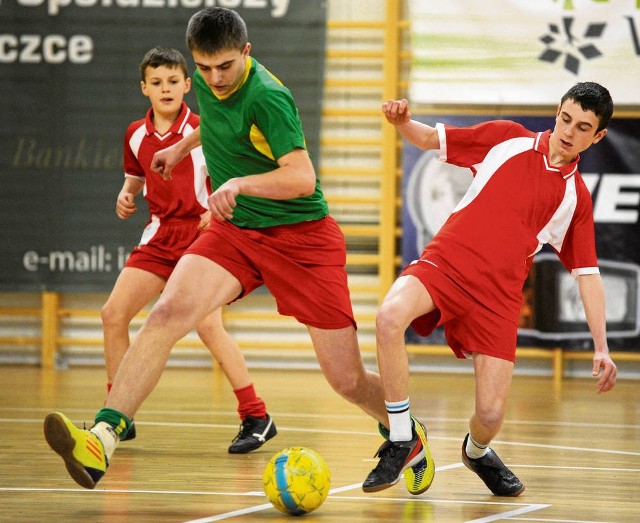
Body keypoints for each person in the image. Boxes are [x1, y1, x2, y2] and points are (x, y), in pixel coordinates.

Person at [42, 8, 434, 494]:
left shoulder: (268, 96)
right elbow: (214, 121)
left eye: (224, 67)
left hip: (302, 240)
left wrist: (241, 183)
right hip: (236, 232)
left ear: (246, 54)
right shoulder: (210, 79)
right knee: (167, 314)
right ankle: (102, 438)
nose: (213, 78)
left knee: (346, 379)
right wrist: (182, 149)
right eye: (203, 69)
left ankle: (406, 432)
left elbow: (301, 177)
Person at [362, 82, 618, 496]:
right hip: (447, 262)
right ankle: (401, 437)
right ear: (558, 111)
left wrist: (601, 346)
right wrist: (403, 122)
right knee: (389, 316)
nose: (569, 132)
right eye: (566, 119)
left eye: (583, 127)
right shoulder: (507, 139)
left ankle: (477, 452)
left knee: (491, 413)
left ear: (598, 136)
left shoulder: (575, 198)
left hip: (497, 298)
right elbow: (429, 139)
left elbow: (587, 274)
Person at [99, 46, 276, 453]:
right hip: (160, 235)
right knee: (113, 314)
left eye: (173, 81)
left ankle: (256, 413)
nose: (166, 88)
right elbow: (134, 180)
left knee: (209, 327)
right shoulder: (135, 134)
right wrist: (126, 196)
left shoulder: (204, 128)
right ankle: (117, 415)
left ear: (187, 85)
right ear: (144, 88)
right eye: (156, 82)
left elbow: (232, 176)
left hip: (200, 237)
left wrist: (217, 214)